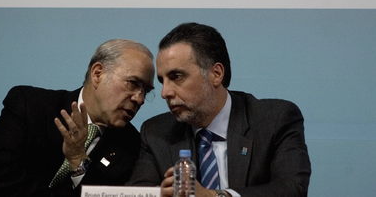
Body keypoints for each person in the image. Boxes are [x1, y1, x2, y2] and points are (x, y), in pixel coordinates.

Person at [128, 23, 311, 197]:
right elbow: (139, 191)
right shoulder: (156, 133)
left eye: (177, 76)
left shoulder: (274, 119)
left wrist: (213, 195)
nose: (165, 92)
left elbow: (292, 189)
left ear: (216, 74)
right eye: (163, 81)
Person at [0, 39, 155, 197]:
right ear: (98, 74)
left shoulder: (132, 146)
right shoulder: (29, 105)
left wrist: (78, 161)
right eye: (133, 83)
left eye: (146, 91)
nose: (139, 99)